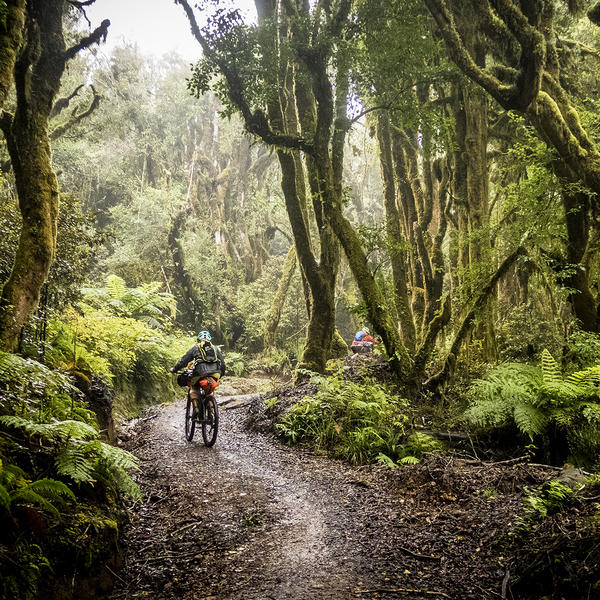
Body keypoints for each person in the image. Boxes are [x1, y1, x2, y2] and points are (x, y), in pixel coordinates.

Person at [171, 330, 226, 401]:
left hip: (200, 373)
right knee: (210, 391)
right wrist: (221, 374)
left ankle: (196, 409)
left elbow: (184, 361)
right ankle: (212, 407)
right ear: (210, 340)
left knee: (194, 389)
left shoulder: (195, 347)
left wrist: (175, 369)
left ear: (198, 340)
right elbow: (223, 364)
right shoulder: (215, 348)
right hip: (215, 373)